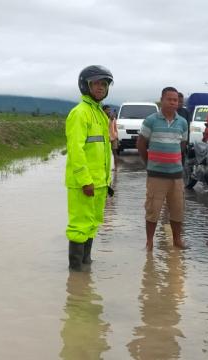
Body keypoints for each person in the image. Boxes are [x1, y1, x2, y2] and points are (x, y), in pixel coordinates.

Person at [64, 65, 114, 271]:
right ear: (85, 86)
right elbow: (76, 150)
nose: (101, 88)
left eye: (104, 84)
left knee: (92, 225)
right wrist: (85, 180)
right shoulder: (80, 113)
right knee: (79, 227)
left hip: (99, 183)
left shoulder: (99, 113)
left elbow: (102, 151)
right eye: (96, 84)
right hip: (85, 184)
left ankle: (86, 268)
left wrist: (106, 180)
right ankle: (76, 275)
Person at [137, 87, 189, 251]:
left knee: (177, 209)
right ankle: (149, 241)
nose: (173, 102)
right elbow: (141, 143)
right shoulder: (151, 120)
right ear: (162, 100)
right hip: (156, 175)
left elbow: (182, 145)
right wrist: (149, 163)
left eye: (176, 100)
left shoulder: (182, 122)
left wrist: (172, 159)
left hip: (176, 175)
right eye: (169, 99)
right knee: (153, 209)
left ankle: (177, 240)